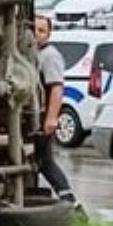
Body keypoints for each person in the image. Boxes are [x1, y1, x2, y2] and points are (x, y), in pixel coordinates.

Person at [32, 16, 78, 209]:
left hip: (42, 116)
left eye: (42, 31)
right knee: (41, 160)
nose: (37, 34)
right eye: (34, 29)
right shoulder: (32, 54)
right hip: (32, 115)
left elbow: (56, 88)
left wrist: (52, 118)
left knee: (45, 161)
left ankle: (71, 203)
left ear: (49, 34)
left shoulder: (49, 55)